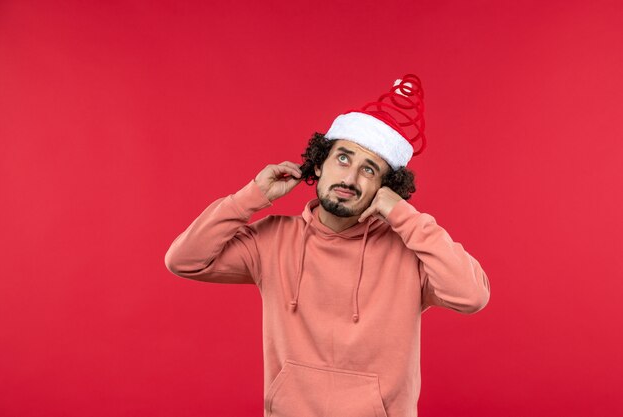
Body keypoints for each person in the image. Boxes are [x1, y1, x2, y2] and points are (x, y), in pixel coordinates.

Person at [164, 74, 491, 417]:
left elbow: (471, 296)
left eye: (369, 169)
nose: (350, 179)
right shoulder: (273, 239)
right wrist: (252, 196)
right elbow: (184, 260)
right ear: (319, 164)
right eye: (344, 159)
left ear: (385, 186)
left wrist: (404, 217)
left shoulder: (409, 251)